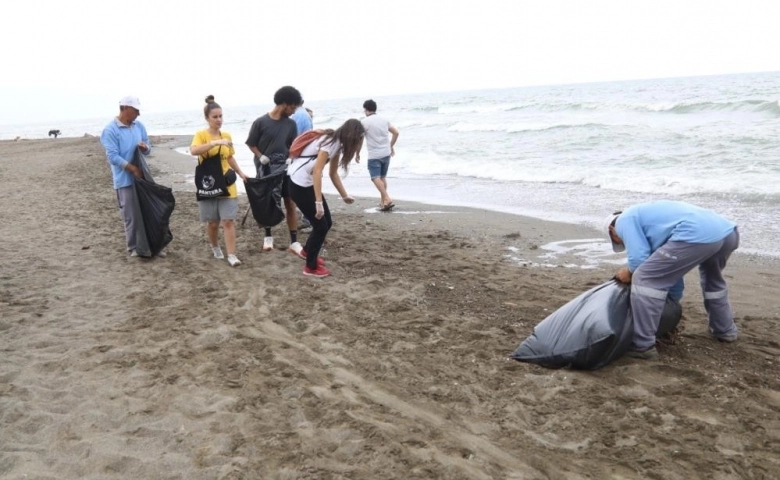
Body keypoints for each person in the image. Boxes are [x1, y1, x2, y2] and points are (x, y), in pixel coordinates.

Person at [603, 200, 740, 360]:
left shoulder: (624, 220)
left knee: (644, 278)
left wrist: (629, 272)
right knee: (713, 282)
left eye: (618, 241)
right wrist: (670, 308)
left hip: (696, 233)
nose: (623, 243)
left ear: (612, 229)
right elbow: (670, 278)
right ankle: (725, 331)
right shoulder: (653, 224)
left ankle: (642, 346)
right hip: (727, 232)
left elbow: (638, 259)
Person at [287, 119, 365, 277]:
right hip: (298, 185)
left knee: (327, 222)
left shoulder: (337, 143)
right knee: (320, 226)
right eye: (358, 140)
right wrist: (318, 203)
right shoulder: (331, 142)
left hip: (305, 183)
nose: (359, 144)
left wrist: (344, 195)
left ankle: (307, 252)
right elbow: (317, 171)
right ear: (352, 137)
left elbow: (332, 173)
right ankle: (310, 267)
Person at [190, 96, 249, 267]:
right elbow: (194, 151)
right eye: (215, 117)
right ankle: (215, 246)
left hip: (226, 182)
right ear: (207, 118)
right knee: (213, 222)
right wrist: (215, 143)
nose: (219, 120)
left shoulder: (227, 135)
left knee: (228, 221)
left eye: (221, 116)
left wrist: (241, 172)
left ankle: (231, 255)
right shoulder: (201, 135)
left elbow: (229, 157)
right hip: (208, 182)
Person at [245, 86, 302, 254]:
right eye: (292, 107)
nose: (293, 112)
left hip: (285, 168)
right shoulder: (261, 122)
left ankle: (294, 241)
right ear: (284, 103)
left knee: (290, 202)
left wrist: (292, 157)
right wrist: (260, 156)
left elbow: (293, 145)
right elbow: (251, 143)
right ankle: (268, 237)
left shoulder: (291, 124)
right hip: (266, 168)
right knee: (268, 203)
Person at [100, 95, 153, 257]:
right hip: (124, 180)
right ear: (125, 109)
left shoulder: (139, 126)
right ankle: (133, 247)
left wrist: (145, 148)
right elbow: (113, 157)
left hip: (142, 177)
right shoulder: (110, 130)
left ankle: (150, 243)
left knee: (147, 211)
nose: (138, 114)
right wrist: (132, 168)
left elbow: (149, 147)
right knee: (130, 215)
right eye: (135, 110)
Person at [360, 99, 399, 211]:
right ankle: (383, 202)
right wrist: (391, 146)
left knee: (375, 178)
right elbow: (396, 133)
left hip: (374, 154)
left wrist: (357, 152)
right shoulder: (384, 119)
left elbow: (360, 139)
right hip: (386, 153)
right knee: (382, 177)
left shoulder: (365, 122)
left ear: (366, 110)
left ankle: (387, 198)